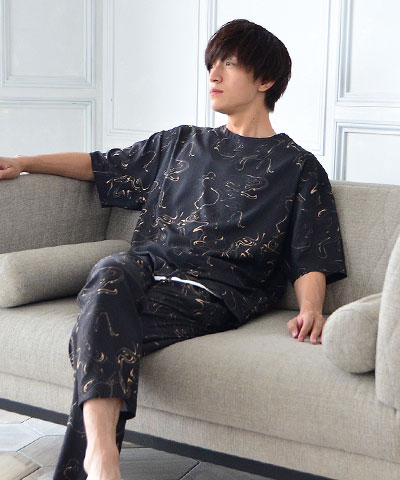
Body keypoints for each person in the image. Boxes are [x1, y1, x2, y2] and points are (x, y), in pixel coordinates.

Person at [0, 19, 346, 480]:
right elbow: (102, 166)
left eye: (229, 64)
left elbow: (311, 253)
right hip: (142, 269)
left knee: (97, 327)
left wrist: (312, 309)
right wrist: (24, 161)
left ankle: (97, 460)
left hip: (214, 291)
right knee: (110, 270)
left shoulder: (298, 167)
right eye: (211, 65)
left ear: (265, 80)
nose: (213, 75)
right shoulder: (182, 142)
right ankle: (102, 458)